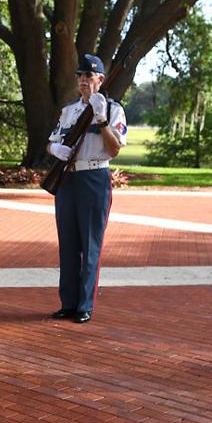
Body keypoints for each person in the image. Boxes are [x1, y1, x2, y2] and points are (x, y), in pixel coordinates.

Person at [47, 54, 127, 324]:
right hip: (68, 179)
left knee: (90, 244)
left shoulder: (112, 108)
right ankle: (68, 303)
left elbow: (114, 149)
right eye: (80, 76)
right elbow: (52, 141)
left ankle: (84, 305)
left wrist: (102, 120)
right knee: (68, 244)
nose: (83, 81)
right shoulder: (69, 110)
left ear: (101, 80)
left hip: (94, 177)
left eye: (89, 76)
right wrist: (55, 149)